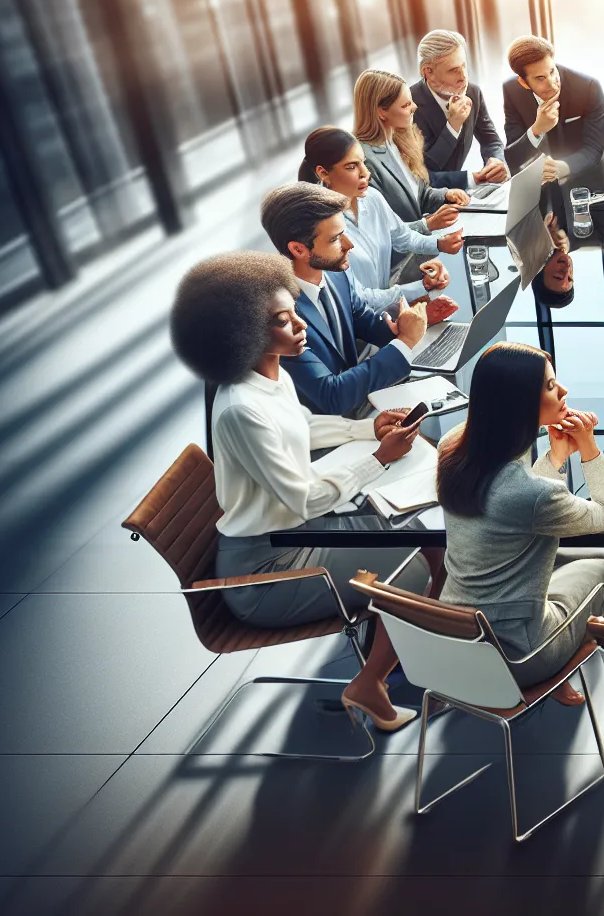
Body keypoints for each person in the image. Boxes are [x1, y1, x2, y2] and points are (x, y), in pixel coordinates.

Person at [169, 250, 439, 732]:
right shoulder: (240, 409)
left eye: (294, 312)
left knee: (424, 537)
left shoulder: (267, 375)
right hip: (268, 572)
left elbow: (303, 426)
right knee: (417, 568)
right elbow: (306, 499)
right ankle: (371, 683)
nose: (300, 325)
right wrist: (379, 459)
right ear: (241, 332)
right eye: (282, 320)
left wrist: (367, 429)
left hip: (295, 534)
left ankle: (416, 649)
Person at [437, 342, 604, 699]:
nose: (564, 391)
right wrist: (588, 447)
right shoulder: (533, 494)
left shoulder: (452, 448)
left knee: (561, 560)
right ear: (521, 403)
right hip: (519, 654)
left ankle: (563, 662)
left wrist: (557, 456)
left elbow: (516, 508)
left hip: (458, 639)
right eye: (551, 386)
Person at [262, 183, 424, 416]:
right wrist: (405, 342)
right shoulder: (277, 316)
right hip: (324, 428)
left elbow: (362, 319)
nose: (349, 245)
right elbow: (331, 396)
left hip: (362, 406)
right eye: (335, 239)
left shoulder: (336, 275)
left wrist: (408, 323)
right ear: (298, 249)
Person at [298, 126, 462, 317]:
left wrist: (439, 243)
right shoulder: (322, 227)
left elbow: (402, 237)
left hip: (384, 314)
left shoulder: (372, 198)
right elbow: (357, 298)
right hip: (356, 324)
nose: (365, 173)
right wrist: (420, 288)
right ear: (323, 173)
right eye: (351, 167)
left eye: (363, 163)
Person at [352, 69, 472, 223]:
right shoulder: (363, 161)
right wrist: (427, 225)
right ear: (381, 112)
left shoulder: (396, 143)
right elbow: (383, 229)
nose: (415, 107)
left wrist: (445, 195)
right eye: (406, 105)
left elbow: (419, 195)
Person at [502, 35, 604, 196]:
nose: (552, 84)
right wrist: (536, 130)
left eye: (552, 71)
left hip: (589, 187)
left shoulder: (588, 88)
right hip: (541, 192)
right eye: (540, 78)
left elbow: (594, 149)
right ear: (524, 82)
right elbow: (513, 157)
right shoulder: (512, 91)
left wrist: (561, 168)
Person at [411, 29, 508, 189]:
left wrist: (497, 161)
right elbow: (423, 173)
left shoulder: (473, 92)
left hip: (462, 194)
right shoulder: (409, 106)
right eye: (453, 70)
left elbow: (490, 140)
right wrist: (453, 126)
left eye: (464, 66)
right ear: (428, 72)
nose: (463, 77)